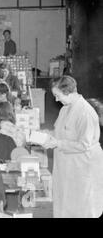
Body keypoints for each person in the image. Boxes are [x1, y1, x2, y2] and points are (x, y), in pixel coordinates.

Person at [40, 76, 103, 218]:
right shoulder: (65, 109)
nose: (56, 100)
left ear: (69, 92)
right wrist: (46, 135)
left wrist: (58, 143)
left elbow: (84, 144)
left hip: (82, 168)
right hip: (67, 168)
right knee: (64, 204)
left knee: (81, 208)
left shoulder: (85, 112)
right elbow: (60, 132)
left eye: (58, 95)